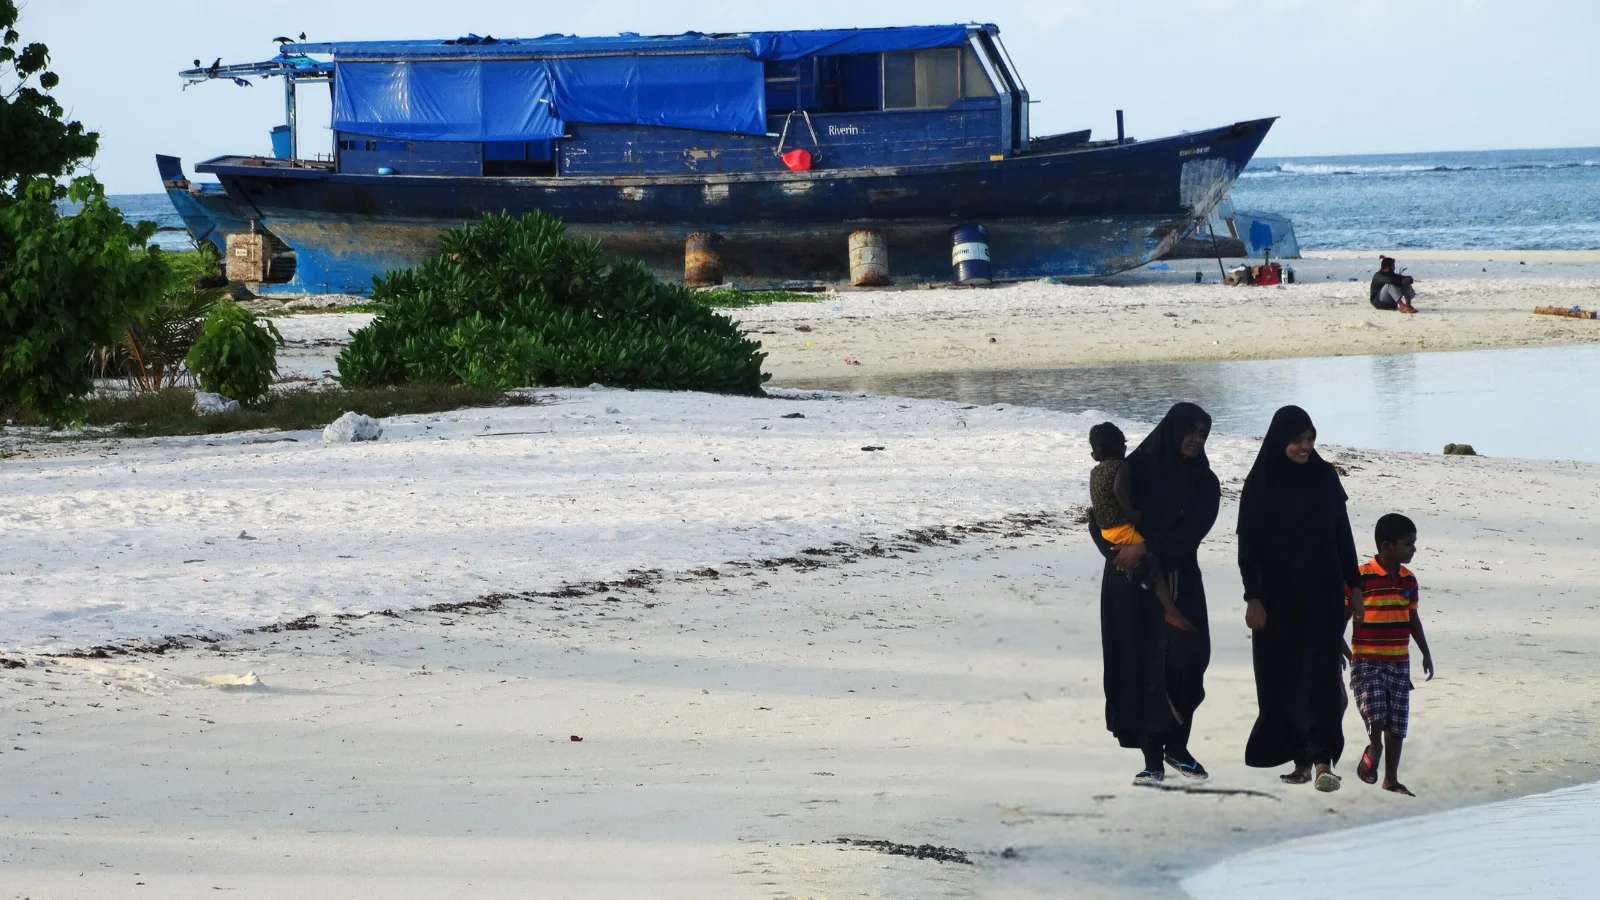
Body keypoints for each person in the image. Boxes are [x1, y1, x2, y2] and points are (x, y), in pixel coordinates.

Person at [1092, 403, 1219, 787]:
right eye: (1190, 432)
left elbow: (1191, 532)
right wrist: (1118, 553)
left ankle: (1177, 748)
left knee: (1188, 660)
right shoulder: (1133, 468)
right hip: (1128, 584)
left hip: (1179, 577)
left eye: (1203, 434)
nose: (1196, 440)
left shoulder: (1204, 482)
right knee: (1139, 664)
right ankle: (1152, 762)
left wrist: (1144, 548)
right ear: (1172, 430)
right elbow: (1099, 517)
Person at [1238, 405, 1363, 792]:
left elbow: (1343, 536)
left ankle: (1323, 760)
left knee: (1321, 676)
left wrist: (1355, 587)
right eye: (1298, 440)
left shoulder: (1325, 477)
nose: (1305, 446)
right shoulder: (1260, 484)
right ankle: (1300, 760)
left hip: (1323, 595)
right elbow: (1249, 548)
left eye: (1310, 440)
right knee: (1282, 677)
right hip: (1276, 600)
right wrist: (1253, 598)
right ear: (1280, 439)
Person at [1350, 513, 1434, 797]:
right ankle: (1374, 747)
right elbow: (1342, 615)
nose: (1413, 549)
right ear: (1388, 546)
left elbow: (1413, 620)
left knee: (1397, 723)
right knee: (1375, 711)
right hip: (1366, 658)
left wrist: (1425, 653)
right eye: (1408, 544)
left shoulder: (1409, 581)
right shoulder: (1360, 576)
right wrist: (1339, 648)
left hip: (1399, 660)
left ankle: (1391, 779)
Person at [1088, 422, 1194, 634]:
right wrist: (1132, 514)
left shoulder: (1095, 471)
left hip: (1104, 530)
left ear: (1094, 455)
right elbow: (1119, 490)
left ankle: (1140, 575)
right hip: (1121, 529)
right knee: (1151, 559)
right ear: (1123, 448)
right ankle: (1170, 610)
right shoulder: (1122, 466)